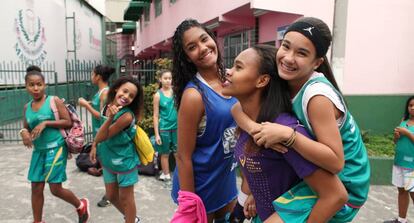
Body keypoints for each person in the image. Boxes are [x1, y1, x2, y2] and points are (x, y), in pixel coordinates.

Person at [233, 17, 370, 222]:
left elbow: (336, 162)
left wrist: (289, 136)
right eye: (285, 46)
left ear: (317, 63)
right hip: (319, 175)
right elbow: (236, 109)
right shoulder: (286, 78)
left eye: (302, 53)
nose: (288, 57)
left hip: (346, 185)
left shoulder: (317, 97)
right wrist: (256, 130)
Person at [223, 45, 347, 222]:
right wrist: (255, 195)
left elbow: (336, 195)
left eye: (238, 67)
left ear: (262, 81)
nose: (228, 71)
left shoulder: (282, 131)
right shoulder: (247, 120)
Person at [170, 19, 238, 222]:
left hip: (226, 181)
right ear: (187, 58)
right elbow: (183, 156)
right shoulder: (194, 96)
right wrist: (191, 205)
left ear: (213, 40)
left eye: (204, 39)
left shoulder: (232, 79)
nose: (202, 48)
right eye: (192, 47)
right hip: (200, 187)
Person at [20, 65, 90, 223]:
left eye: (39, 84)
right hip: (39, 151)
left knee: (55, 189)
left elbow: (67, 122)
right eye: (32, 85)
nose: (36, 88)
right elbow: (25, 127)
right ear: (26, 86)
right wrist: (24, 133)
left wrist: (46, 123)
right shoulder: (27, 108)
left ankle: (81, 205)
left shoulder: (53, 100)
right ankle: (38, 221)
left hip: (56, 148)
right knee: (36, 187)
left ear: (45, 85)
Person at [89, 75, 143, 223]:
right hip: (108, 159)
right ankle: (132, 219)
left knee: (126, 197)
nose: (126, 97)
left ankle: (131, 219)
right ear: (117, 88)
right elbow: (100, 130)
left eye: (131, 96)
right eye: (124, 91)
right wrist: (94, 146)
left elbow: (102, 135)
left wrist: (111, 118)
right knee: (112, 196)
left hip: (124, 161)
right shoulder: (106, 106)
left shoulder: (126, 116)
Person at [78, 65, 114, 207]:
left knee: (107, 165)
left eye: (92, 74)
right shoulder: (101, 92)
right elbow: (99, 107)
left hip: (104, 136)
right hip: (100, 135)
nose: (91, 76)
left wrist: (85, 106)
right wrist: (87, 103)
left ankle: (110, 195)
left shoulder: (105, 93)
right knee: (105, 164)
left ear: (98, 76)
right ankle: (111, 193)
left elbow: (102, 116)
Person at [384, 96, 414, 223]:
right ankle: (402, 220)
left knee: (413, 193)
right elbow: (396, 141)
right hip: (399, 163)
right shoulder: (404, 120)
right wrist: (396, 136)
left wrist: (406, 132)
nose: (412, 108)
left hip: (411, 165)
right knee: (401, 191)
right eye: (410, 105)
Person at [153, 69, 178, 181]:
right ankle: (166, 174)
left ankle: (180, 175)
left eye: (170, 78)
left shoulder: (176, 92)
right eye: (165, 78)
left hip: (176, 128)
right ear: (160, 79)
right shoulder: (158, 95)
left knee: (178, 153)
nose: (168, 81)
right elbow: (155, 116)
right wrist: (157, 134)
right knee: (165, 153)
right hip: (164, 129)